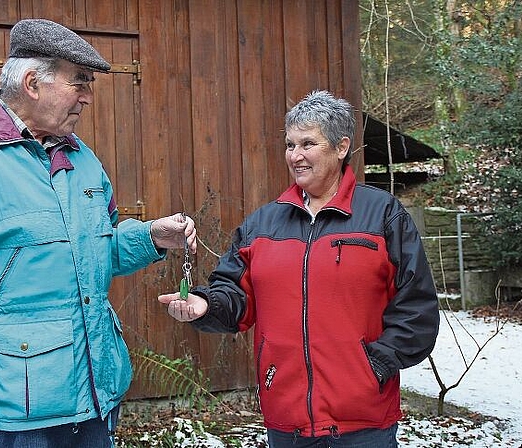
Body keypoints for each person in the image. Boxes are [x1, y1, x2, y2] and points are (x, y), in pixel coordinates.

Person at [0, 18, 196, 448]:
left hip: (96, 395)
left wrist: (151, 237)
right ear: (32, 83)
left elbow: (96, 251)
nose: (88, 98)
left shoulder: (82, 158)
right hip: (18, 412)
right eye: (79, 82)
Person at [158, 90, 439, 447]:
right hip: (286, 418)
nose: (296, 156)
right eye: (290, 145)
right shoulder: (262, 224)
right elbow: (233, 294)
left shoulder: (383, 215)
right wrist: (205, 305)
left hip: (362, 423)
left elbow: (418, 308)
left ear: (341, 147)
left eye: (308, 144)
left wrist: (375, 366)